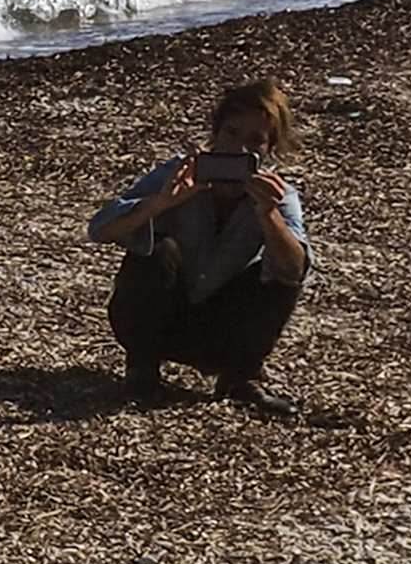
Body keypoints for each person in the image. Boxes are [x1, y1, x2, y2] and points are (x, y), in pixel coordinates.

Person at [89, 78, 312, 406]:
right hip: (158, 319)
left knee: (283, 268)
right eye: (231, 133)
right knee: (157, 250)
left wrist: (269, 217)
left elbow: (295, 272)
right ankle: (142, 369)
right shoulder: (180, 174)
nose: (238, 149)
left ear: (269, 149)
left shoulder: (277, 195)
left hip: (223, 331)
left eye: (255, 141)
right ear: (216, 132)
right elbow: (100, 229)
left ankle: (239, 378)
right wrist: (160, 204)